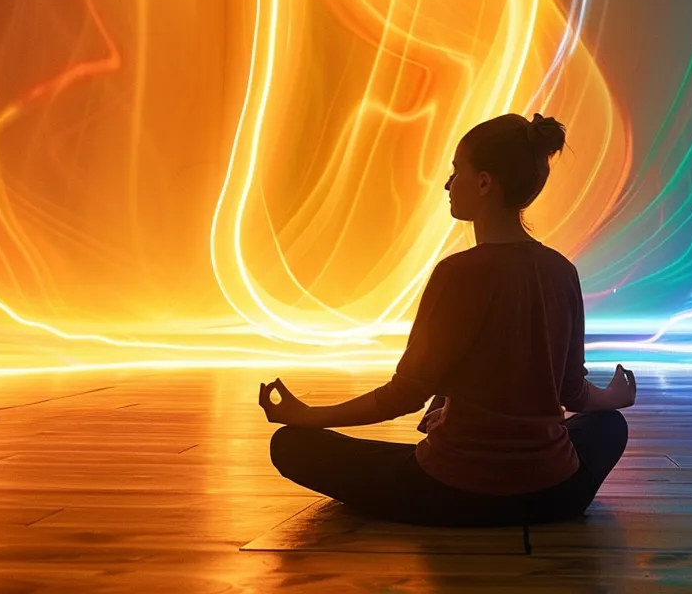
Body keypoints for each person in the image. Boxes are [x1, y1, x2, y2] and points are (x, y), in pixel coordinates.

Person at [258, 112, 636, 527]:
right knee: (609, 426)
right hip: (557, 493)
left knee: (291, 445)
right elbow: (573, 395)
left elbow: (404, 395)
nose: (446, 184)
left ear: (484, 183)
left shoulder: (456, 274)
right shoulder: (562, 271)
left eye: (457, 171)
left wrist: (307, 415)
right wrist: (616, 395)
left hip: (451, 491)